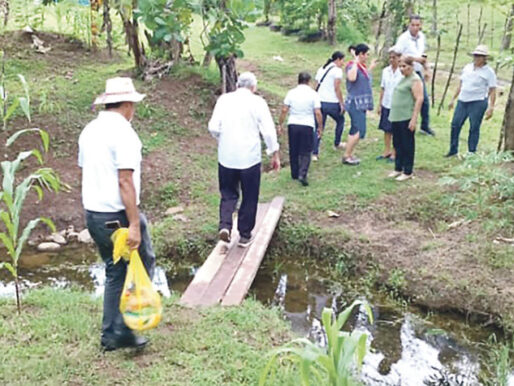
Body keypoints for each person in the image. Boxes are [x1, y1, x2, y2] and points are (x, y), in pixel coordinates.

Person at [78, 77, 156, 351]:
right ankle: (124, 327)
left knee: (116, 271)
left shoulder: (89, 130)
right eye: (132, 104)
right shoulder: (124, 134)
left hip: (94, 215)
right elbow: (125, 181)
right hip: (116, 217)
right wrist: (134, 223)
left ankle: (114, 333)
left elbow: (86, 168)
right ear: (126, 105)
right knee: (140, 264)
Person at [208, 72, 280, 247]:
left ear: (237, 85)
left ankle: (225, 225)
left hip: (226, 157)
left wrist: (222, 141)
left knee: (228, 193)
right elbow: (268, 132)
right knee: (249, 195)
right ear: (254, 87)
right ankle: (245, 235)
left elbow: (213, 127)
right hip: (250, 159)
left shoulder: (224, 100)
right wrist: (274, 153)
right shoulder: (258, 102)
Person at [446, 45, 497, 157]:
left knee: (474, 126)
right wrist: (453, 99)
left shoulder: (489, 72)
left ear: (484, 58)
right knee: (455, 124)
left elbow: (493, 89)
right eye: (476, 56)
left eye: (480, 56)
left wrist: (491, 107)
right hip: (463, 100)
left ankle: (471, 151)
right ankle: (453, 149)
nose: (477, 58)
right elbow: (461, 84)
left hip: (478, 101)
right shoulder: (467, 68)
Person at [278, 72, 323, 186]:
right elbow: (317, 112)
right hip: (307, 124)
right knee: (306, 150)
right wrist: (320, 126)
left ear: (298, 80)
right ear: (308, 81)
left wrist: (280, 123)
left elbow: (284, 110)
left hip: (293, 124)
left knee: (294, 149)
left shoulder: (291, 93)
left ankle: (294, 172)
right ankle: (302, 173)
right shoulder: (313, 94)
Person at [395, 15, 434, 136]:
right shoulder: (403, 39)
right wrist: (415, 59)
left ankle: (425, 126)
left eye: (418, 25)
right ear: (409, 25)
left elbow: (423, 55)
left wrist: (426, 68)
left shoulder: (422, 37)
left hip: (417, 71)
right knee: (407, 99)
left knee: (424, 100)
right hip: (405, 72)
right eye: (413, 25)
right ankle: (403, 122)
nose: (415, 28)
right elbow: (398, 55)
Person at [388, 56, 424, 181]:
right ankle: (398, 168)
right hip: (396, 116)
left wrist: (414, 118)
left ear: (411, 66)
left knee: (407, 144)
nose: (402, 69)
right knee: (397, 143)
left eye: (404, 66)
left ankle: (408, 171)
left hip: (406, 116)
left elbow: (419, 98)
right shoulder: (403, 79)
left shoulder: (415, 79)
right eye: (400, 67)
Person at [342, 43, 376, 165]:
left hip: (361, 104)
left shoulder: (361, 66)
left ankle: (349, 153)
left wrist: (370, 68)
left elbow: (364, 79)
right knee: (360, 131)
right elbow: (352, 78)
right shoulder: (352, 66)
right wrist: (355, 61)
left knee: (355, 129)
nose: (367, 57)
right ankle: (346, 155)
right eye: (366, 54)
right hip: (355, 104)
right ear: (361, 54)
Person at [313, 51, 345, 161]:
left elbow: (316, 85)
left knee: (319, 126)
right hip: (331, 102)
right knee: (340, 120)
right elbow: (337, 88)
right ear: (338, 59)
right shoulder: (337, 71)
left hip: (319, 102)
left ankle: (315, 153)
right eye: (342, 60)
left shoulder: (321, 69)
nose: (343, 63)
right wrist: (341, 103)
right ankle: (337, 142)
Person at [377, 46, 403, 162]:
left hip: (398, 105)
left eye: (394, 58)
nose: (392, 60)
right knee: (386, 128)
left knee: (396, 130)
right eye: (390, 58)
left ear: (399, 59)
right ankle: (386, 150)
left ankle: (395, 152)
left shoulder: (402, 72)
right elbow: (383, 88)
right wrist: (380, 104)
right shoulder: (385, 71)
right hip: (387, 103)